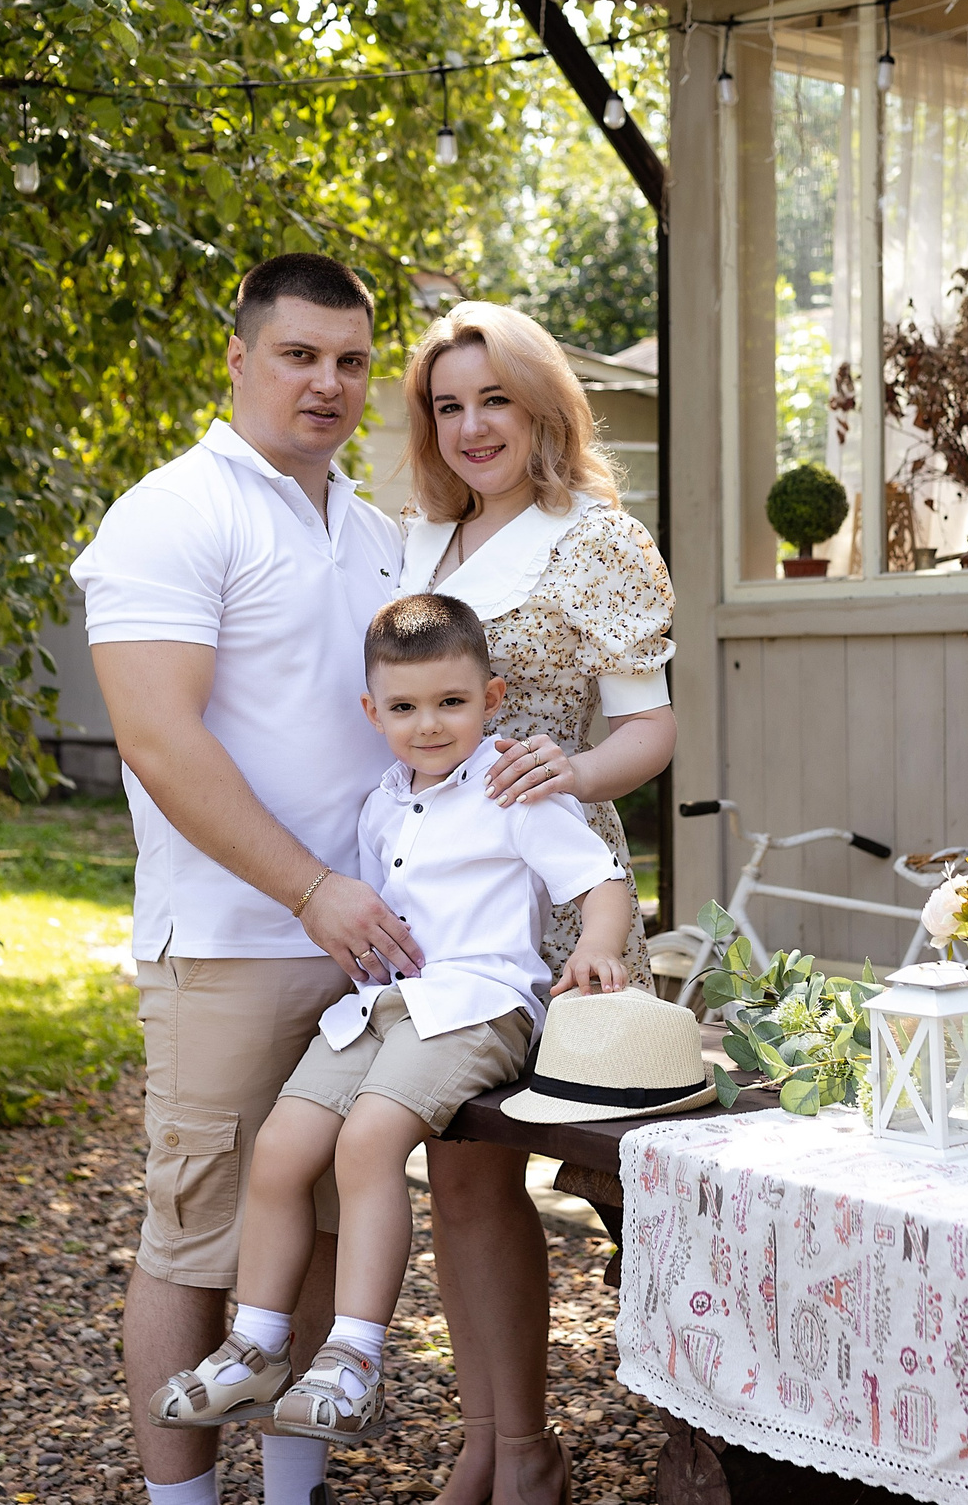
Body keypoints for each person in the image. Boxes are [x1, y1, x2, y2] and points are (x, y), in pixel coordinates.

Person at [73, 253, 421, 1505]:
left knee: (317, 1239)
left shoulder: (375, 532)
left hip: (362, 953)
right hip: (230, 938)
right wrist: (310, 889)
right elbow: (162, 741)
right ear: (237, 357)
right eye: (299, 355)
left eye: (350, 362)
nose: (326, 384)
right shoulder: (171, 511)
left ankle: (289, 1497)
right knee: (193, 1240)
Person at [149, 592, 634, 1447]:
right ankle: (259, 1345)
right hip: (384, 1006)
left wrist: (596, 948)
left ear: (493, 697)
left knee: (368, 1141)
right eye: (405, 708)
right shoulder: (381, 802)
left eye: (452, 702)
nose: (429, 725)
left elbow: (603, 881)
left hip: (478, 1005)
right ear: (373, 712)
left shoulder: (509, 786)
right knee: (282, 1143)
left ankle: (353, 1358)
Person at [394, 302, 678, 1505]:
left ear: (541, 405)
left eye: (492, 400)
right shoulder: (418, 546)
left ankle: (703, 1441)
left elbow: (651, 727)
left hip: (563, 902)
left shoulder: (595, 540)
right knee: (459, 1170)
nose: (470, 427)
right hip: (446, 905)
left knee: (610, 1174)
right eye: (447, 406)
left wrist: (574, 767)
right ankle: (502, 1446)